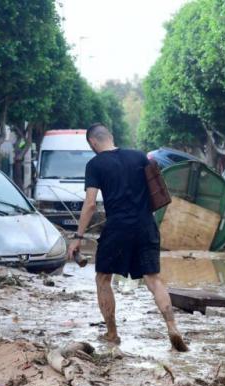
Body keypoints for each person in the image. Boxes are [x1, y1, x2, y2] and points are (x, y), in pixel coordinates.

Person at [67, 124, 189, 352]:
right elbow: (157, 191)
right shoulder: (139, 156)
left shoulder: (95, 164)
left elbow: (90, 204)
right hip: (146, 225)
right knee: (154, 280)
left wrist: (78, 237)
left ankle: (112, 334)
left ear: (93, 143)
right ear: (111, 137)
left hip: (117, 228)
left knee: (103, 279)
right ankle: (172, 327)